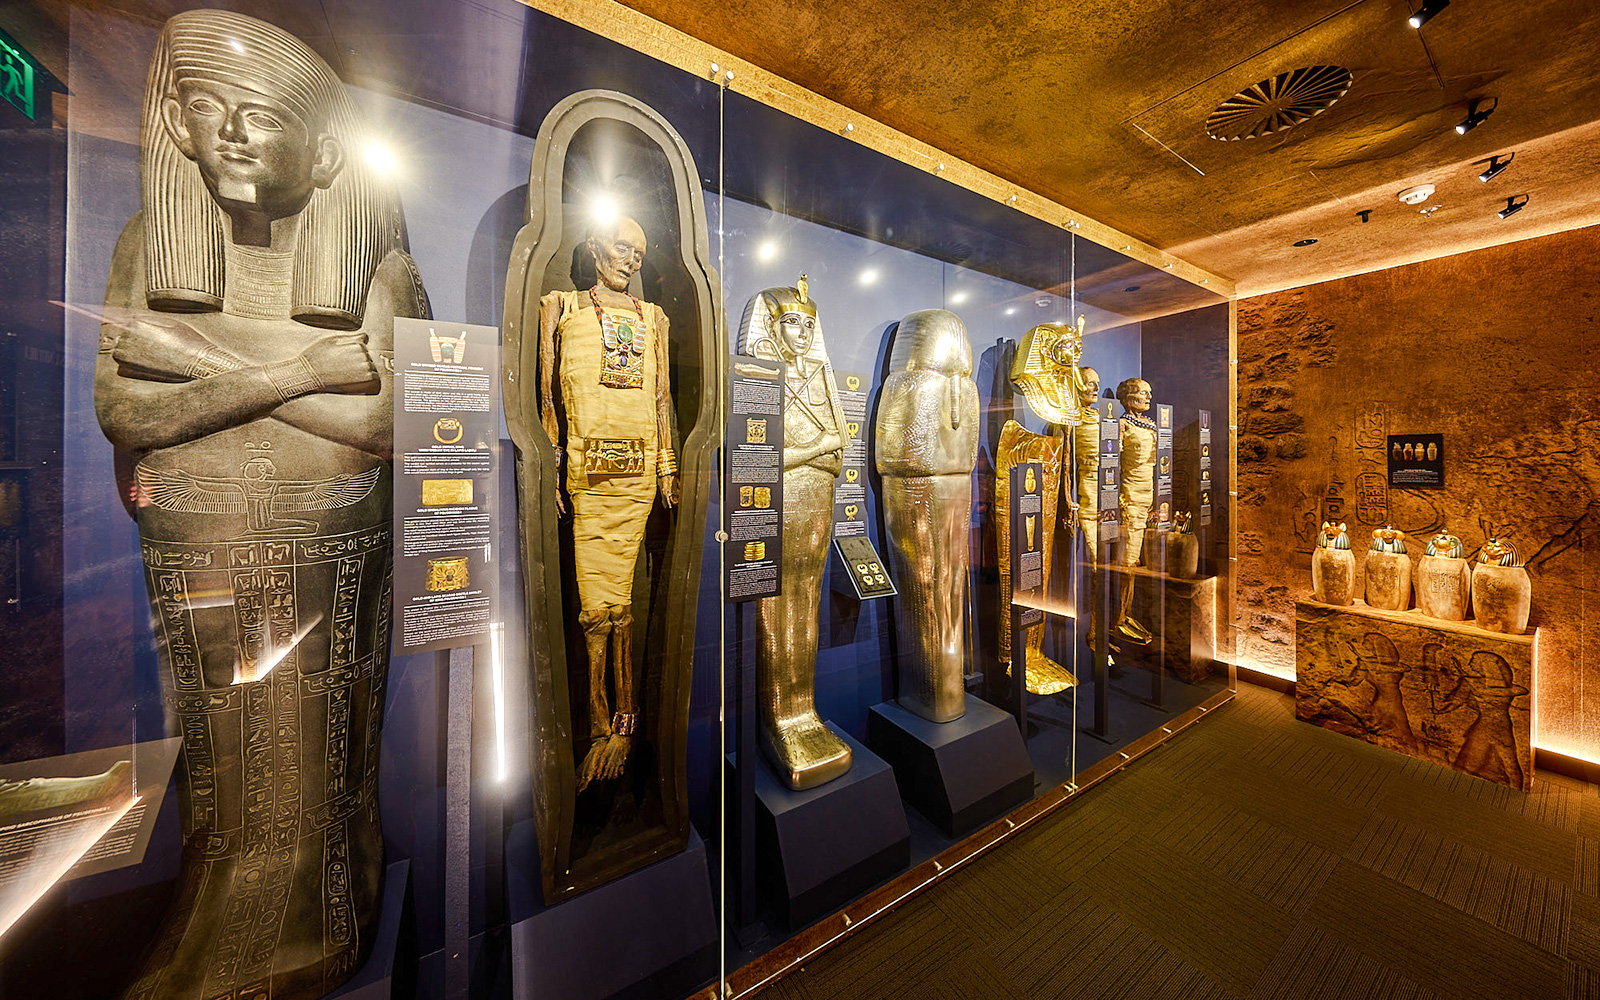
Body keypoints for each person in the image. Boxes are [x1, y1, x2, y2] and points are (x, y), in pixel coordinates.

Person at [94, 11, 426, 998]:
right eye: (206, 108)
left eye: (261, 113)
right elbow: (121, 408)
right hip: (193, 543)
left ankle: (315, 918)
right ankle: (217, 923)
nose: (230, 132)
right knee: (222, 770)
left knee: (309, 772)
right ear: (179, 131)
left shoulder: (381, 265)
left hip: (321, 543)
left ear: (326, 154)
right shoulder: (146, 244)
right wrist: (301, 369)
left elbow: (380, 424)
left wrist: (191, 367)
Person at [537, 215, 678, 790]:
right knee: (598, 608)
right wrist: (549, 464)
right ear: (596, 248)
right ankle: (602, 727)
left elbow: (662, 394)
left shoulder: (654, 318)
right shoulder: (562, 307)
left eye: (640, 254)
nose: (632, 261)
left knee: (622, 606)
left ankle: (622, 725)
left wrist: (667, 465)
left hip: (638, 475)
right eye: (624, 249)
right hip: (588, 477)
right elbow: (547, 394)